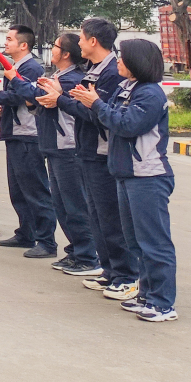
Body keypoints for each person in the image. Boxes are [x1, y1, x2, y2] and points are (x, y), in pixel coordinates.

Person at [70, 37, 177, 322]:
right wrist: (94, 104)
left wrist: (96, 104)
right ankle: (146, 295)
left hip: (148, 176)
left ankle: (163, 303)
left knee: (154, 243)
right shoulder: (126, 88)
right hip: (126, 173)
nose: (117, 61)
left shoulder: (150, 94)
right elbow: (111, 116)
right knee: (136, 242)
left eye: (122, 57)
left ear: (136, 62)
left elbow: (127, 124)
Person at [42, 16, 138, 300]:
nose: (79, 43)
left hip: (102, 152)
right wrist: (64, 97)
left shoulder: (111, 73)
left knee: (110, 216)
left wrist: (61, 100)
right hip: (85, 149)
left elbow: (97, 112)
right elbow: (84, 104)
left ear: (93, 41)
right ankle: (109, 270)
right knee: (96, 214)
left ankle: (125, 274)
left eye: (82, 38)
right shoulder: (94, 70)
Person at [0, 25, 58, 259]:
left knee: (35, 188)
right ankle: (26, 232)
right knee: (18, 189)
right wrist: (2, 110)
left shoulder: (30, 67)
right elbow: (13, 101)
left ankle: (47, 240)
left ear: (23, 45)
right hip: (15, 131)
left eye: (9, 39)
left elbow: (22, 96)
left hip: (28, 134)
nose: (5, 43)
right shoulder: (16, 67)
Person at [34, 32, 102, 278]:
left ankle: (88, 255)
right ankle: (76, 249)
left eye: (55, 46)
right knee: (62, 204)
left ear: (65, 54)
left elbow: (74, 108)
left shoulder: (73, 78)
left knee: (75, 205)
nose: (51, 50)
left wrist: (58, 97)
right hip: (54, 145)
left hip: (67, 147)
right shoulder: (59, 76)